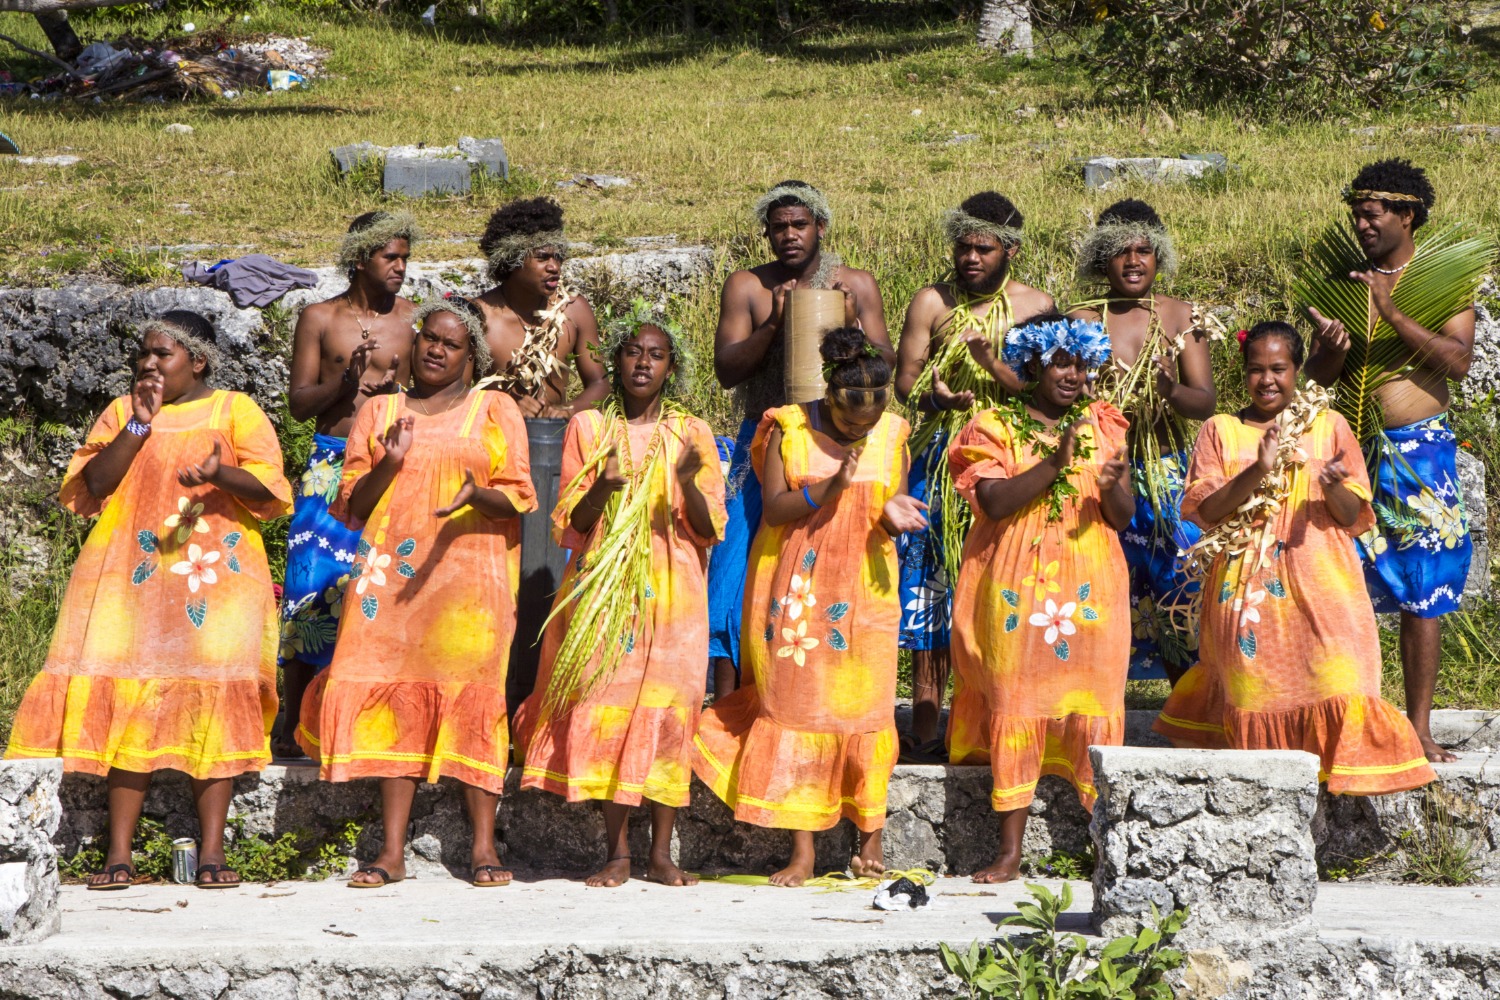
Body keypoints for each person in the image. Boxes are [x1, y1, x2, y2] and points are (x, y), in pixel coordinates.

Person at [6, 312, 292, 890]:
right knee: (127, 695)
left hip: (216, 580)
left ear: (198, 361)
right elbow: (92, 487)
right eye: (143, 354)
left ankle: (212, 853)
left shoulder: (235, 410)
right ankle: (119, 854)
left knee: (213, 698)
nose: (147, 364)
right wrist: (137, 427)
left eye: (162, 354)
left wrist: (222, 473)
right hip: (129, 580)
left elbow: (271, 490)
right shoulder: (122, 412)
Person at [297, 299, 536, 888]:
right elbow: (353, 503)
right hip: (391, 582)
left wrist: (479, 495)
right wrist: (390, 463)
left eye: (450, 344)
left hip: (469, 584)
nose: (435, 349)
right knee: (393, 698)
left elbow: (521, 496)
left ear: (471, 356)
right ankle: (391, 853)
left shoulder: (495, 409)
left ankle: (483, 848)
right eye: (429, 337)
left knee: (475, 698)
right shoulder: (379, 411)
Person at [1156, 322, 1435, 795]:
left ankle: (1339, 788)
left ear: (1298, 370)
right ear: (1242, 374)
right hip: (1247, 593)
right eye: (1256, 370)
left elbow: (1354, 515)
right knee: (1255, 694)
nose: (1267, 380)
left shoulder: (1328, 426)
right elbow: (1205, 511)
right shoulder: (1219, 430)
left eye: (1279, 369)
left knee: (1344, 677)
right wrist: (1258, 470)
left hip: (1324, 586)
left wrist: (1329, 486)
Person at [692, 327, 927, 887]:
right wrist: (830, 487)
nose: (860, 431)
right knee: (799, 709)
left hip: (866, 590)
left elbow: (882, 496)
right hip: (799, 587)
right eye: (850, 423)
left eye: (869, 422)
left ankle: (871, 839)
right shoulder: (789, 428)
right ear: (829, 396)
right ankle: (803, 850)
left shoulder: (893, 432)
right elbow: (774, 510)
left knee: (868, 710)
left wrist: (890, 510)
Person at [514, 301, 726, 888]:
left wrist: (687, 483)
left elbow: (709, 530)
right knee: (609, 705)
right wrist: (603, 487)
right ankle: (618, 852)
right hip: (605, 592)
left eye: (656, 355)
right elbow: (570, 527)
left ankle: (661, 853)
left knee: (666, 710)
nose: (643, 363)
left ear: (670, 367)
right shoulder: (589, 429)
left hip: (673, 594)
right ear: (616, 360)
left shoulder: (692, 433)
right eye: (633, 352)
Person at [1301, 159, 1485, 763]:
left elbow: (1458, 363)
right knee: (1335, 581)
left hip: (1419, 453)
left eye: (1372, 212)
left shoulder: (1447, 282)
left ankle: (1418, 727)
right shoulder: (1341, 282)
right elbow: (1315, 379)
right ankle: (1342, 719)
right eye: (1356, 212)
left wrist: (1393, 310)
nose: (1361, 223)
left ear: (1407, 214)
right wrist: (1329, 353)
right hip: (1351, 451)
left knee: (1422, 590)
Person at [947, 314, 1132, 883]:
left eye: (1081, 363)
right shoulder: (994, 425)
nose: (1073, 374)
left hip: (1091, 584)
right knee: (1017, 701)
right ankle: (1010, 852)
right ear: (1031, 363)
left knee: (1094, 703)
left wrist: (1111, 487)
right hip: (1015, 588)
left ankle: (1107, 848)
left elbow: (1121, 517)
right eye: (1060, 362)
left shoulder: (1103, 425)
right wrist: (1055, 464)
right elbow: (995, 503)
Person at [708, 180, 893, 700]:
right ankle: (728, 701)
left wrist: (852, 323)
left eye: (799, 224)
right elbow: (726, 369)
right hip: (762, 439)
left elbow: (887, 366)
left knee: (831, 562)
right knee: (736, 560)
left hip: (832, 438)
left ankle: (820, 685)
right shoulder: (748, 286)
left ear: (821, 228)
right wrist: (774, 325)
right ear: (767, 233)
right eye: (778, 226)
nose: (789, 235)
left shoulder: (854, 283)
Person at [893, 192, 1054, 760]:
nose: (969, 258)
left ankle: (991, 715)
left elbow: (1041, 388)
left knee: (998, 579)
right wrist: (934, 400)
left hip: (1007, 456)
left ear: (1008, 249)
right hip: (942, 454)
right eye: (962, 247)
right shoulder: (931, 302)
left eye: (982, 249)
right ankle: (927, 721)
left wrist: (991, 367)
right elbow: (904, 382)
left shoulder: (1037, 304)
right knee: (930, 585)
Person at [278, 211, 418, 760]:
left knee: (377, 587)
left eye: (405, 257)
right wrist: (345, 383)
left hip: (388, 463)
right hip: (330, 460)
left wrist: (392, 392)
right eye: (390, 257)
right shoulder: (319, 317)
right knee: (310, 586)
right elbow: (296, 405)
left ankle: (369, 718)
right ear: (360, 258)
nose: (400, 268)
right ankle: (293, 724)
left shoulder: (413, 321)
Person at [1067, 200, 1217, 684]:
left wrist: (1170, 390)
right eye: (1120, 252)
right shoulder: (1081, 318)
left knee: (1178, 587)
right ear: (1099, 259)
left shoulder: (1180, 315)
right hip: (1101, 472)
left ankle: (1188, 705)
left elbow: (1205, 402)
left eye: (1144, 251)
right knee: (1101, 585)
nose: (1133, 261)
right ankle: (1098, 704)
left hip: (1168, 471)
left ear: (1160, 257)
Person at [472, 197, 609, 709]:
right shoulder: (480, 316)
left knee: (546, 580)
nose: (555, 267)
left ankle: (537, 698)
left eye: (559, 257)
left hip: (557, 454)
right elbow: (456, 391)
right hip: (494, 460)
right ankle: (495, 696)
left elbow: (599, 381)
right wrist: (503, 400)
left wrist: (569, 407)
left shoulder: (573, 311)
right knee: (497, 582)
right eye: (543, 258)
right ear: (512, 259)